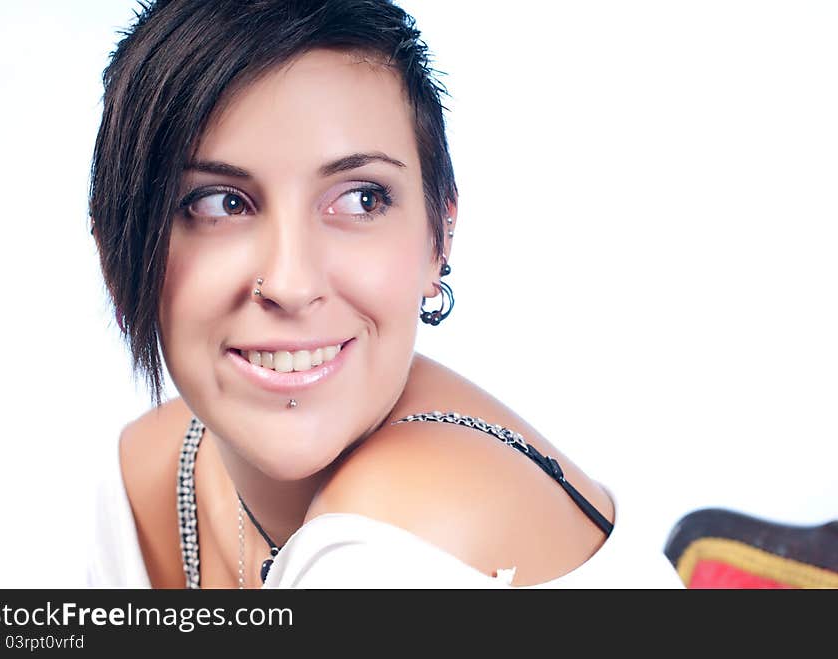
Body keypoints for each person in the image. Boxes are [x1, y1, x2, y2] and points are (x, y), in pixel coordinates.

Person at [86, 0, 683, 589]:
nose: (291, 284)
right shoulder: (152, 471)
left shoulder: (400, 532)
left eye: (361, 199)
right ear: (117, 251)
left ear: (438, 237)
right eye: (218, 203)